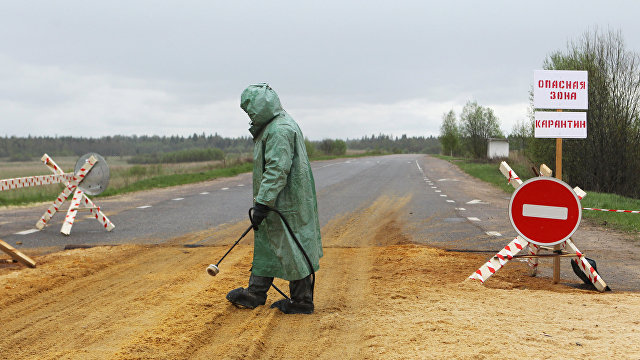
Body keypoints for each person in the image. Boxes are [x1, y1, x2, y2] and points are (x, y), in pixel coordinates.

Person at [226, 83, 323, 314]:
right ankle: (255, 293)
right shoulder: (275, 125)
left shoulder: (279, 129)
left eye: (250, 109)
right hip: (279, 200)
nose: (249, 114)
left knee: (291, 247)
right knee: (271, 243)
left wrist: (263, 201)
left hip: (284, 201)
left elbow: (277, 169)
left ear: (260, 106)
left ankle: (301, 301)